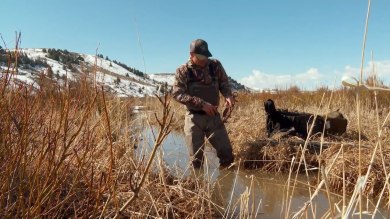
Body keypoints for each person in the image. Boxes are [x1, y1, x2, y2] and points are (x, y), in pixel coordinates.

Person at [172, 39, 235, 169]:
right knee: (196, 162)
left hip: (214, 118)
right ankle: (199, 187)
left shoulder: (215, 65)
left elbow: (224, 83)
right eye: (200, 57)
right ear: (191, 55)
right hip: (194, 119)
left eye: (206, 56)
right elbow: (177, 94)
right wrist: (201, 104)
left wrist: (228, 95)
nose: (204, 60)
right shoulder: (183, 71)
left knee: (228, 157)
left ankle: (226, 187)